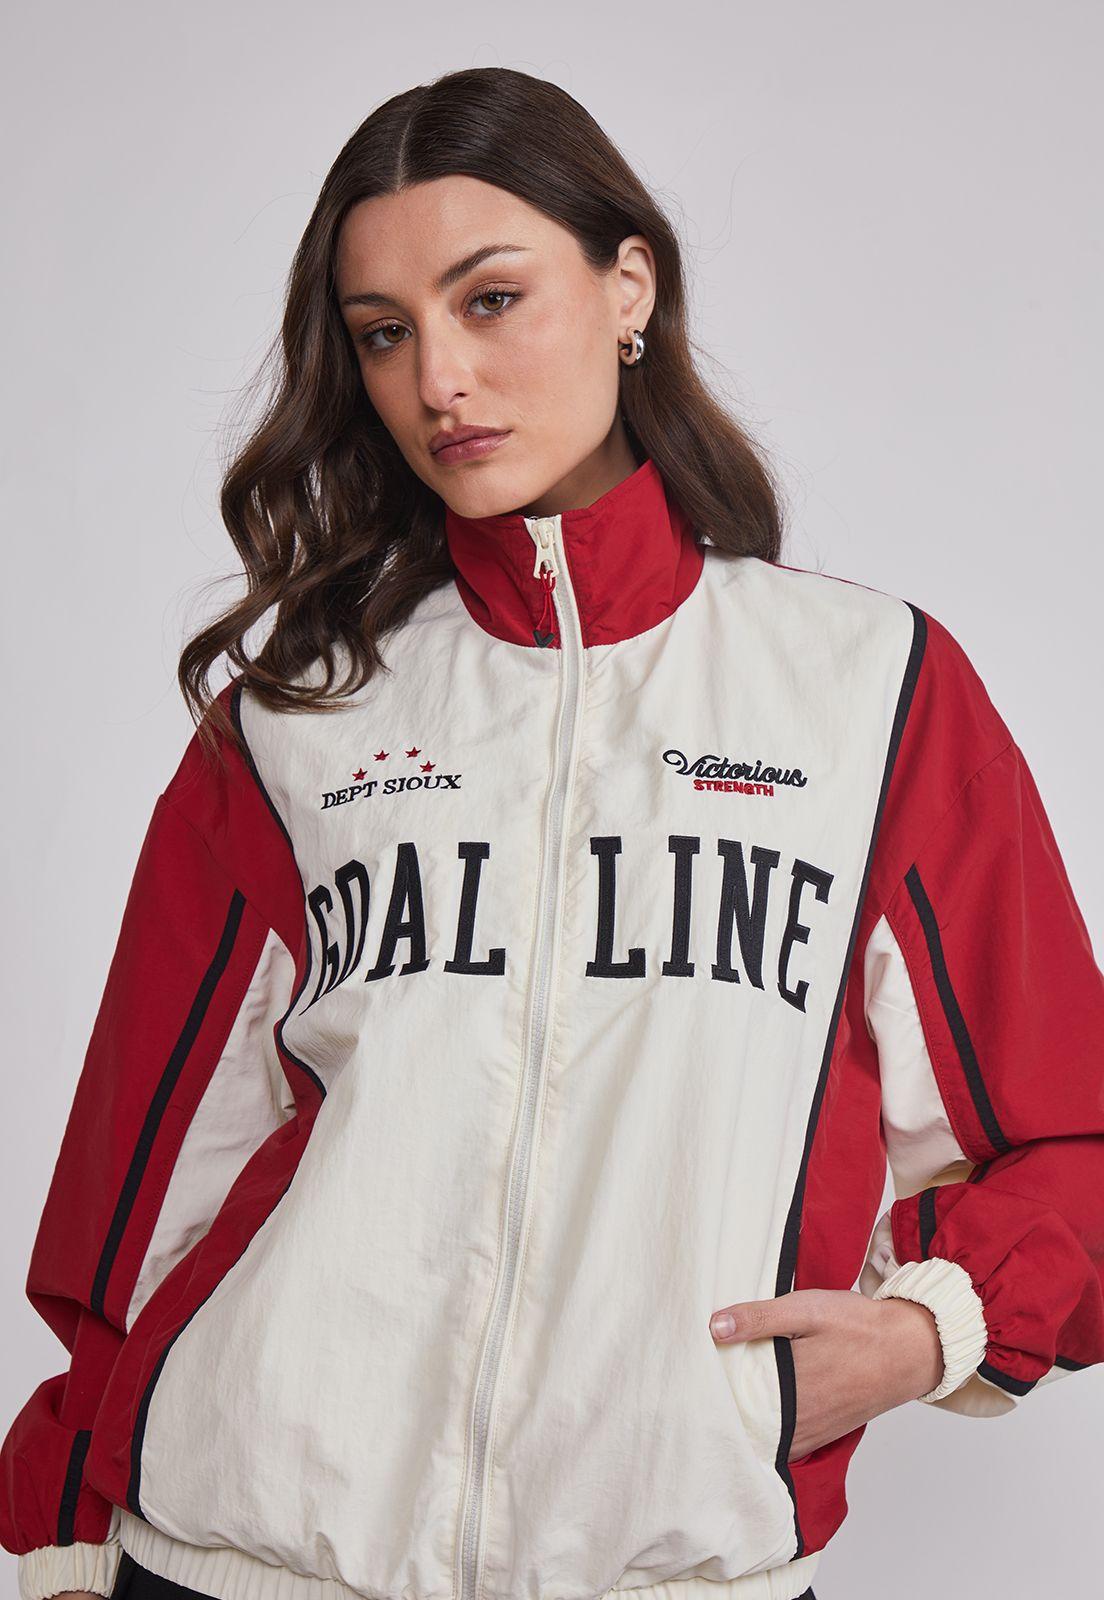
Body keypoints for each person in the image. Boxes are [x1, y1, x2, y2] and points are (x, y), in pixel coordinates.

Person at [2, 63, 1101, 1600]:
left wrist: (927, 1333)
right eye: (385, 332)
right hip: (239, 1556)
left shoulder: (869, 693)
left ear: (627, 285)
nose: (440, 378)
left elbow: (1073, 1135)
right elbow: (142, 1191)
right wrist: (56, 1539)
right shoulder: (300, 716)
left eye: (491, 298)